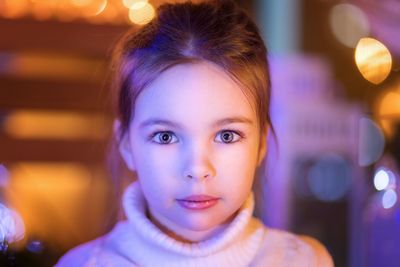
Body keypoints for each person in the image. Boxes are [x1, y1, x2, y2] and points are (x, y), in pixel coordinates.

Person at [56, 0, 334, 266]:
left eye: (227, 135)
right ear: (126, 144)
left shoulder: (304, 261)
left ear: (261, 144)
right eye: (165, 136)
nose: (198, 169)